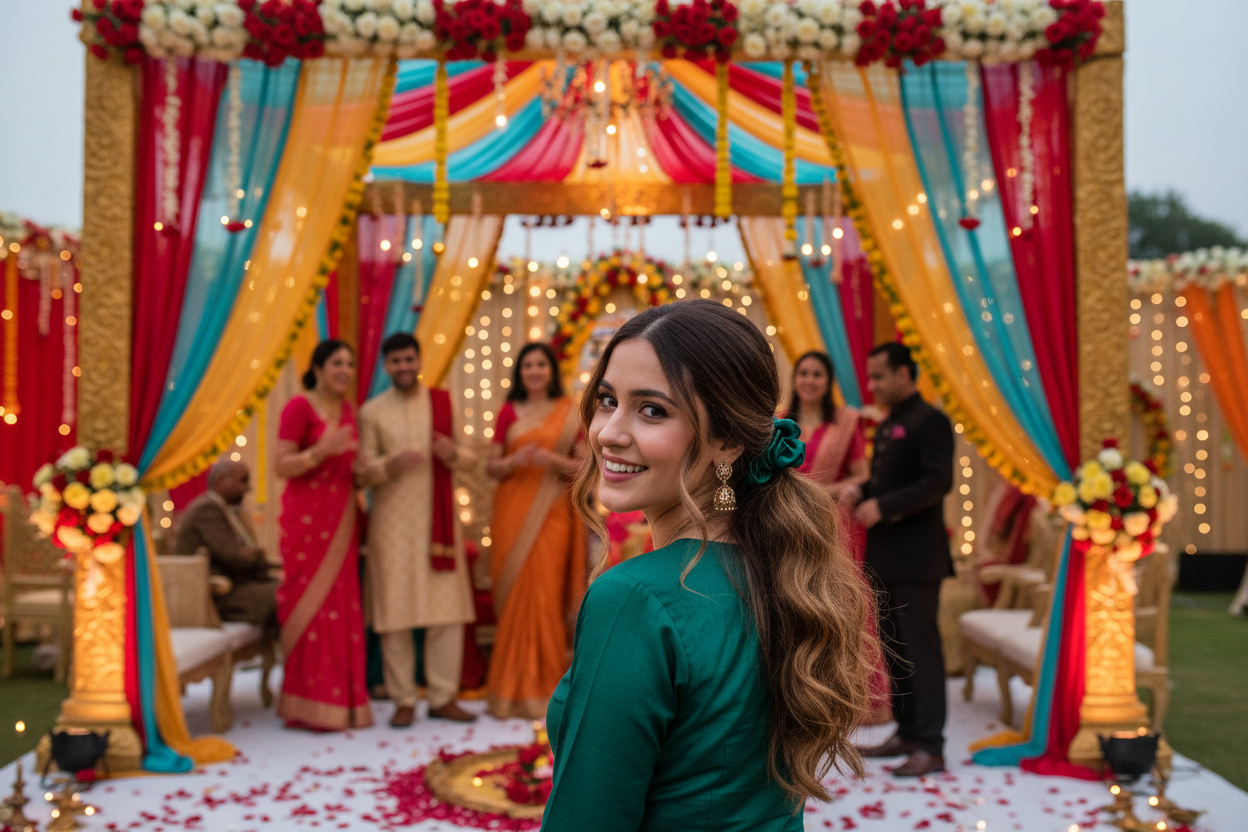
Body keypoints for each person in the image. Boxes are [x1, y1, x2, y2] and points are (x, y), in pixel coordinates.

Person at [542, 300, 877, 830]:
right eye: (607, 400)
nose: (608, 432)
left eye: (652, 409)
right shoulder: (784, 572)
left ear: (726, 441)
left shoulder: (636, 599)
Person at [843, 342, 955, 777]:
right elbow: (890, 479)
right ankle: (907, 733)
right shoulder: (890, 425)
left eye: (878, 376)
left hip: (918, 559)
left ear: (905, 374)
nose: (872, 385)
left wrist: (884, 506)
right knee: (896, 650)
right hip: (886, 555)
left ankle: (931, 745)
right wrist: (864, 490)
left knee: (921, 651)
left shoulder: (930, 421)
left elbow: (937, 481)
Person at [357, 333, 476, 727]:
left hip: (438, 525)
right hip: (391, 529)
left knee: (447, 614)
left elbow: (470, 458)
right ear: (386, 366)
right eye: (396, 361)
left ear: (419, 360)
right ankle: (403, 698)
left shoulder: (441, 403)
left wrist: (452, 453)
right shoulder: (372, 412)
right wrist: (390, 464)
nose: (404, 367)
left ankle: (443, 697)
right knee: (396, 615)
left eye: (409, 359)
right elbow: (360, 473)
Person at [272, 339, 373, 731]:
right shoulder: (298, 408)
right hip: (307, 523)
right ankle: (306, 704)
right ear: (317, 368)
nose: (345, 370)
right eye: (337, 363)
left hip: (342, 521)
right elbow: (281, 465)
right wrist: (319, 452)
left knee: (341, 606)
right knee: (309, 606)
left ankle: (342, 703)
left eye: (349, 364)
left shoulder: (350, 411)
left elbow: (355, 466)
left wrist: (369, 466)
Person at [785, 350, 890, 724]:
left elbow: (863, 475)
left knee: (842, 599)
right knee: (791, 596)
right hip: (789, 519)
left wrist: (832, 491)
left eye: (817, 374)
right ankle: (799, 696)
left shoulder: (847, 422)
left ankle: (854, 698)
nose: (810, 380)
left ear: (827, 382)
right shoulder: (780, 422)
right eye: (804, 373)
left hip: (834, 522)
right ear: (795, 379)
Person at [484, 343, 586, 720]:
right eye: (527, 365)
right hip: (512, 510)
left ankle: (545, 690)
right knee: (513, 597)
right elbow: (491, 467)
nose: (534, 371)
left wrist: (550, 459)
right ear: (520, 372)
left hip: (554, 514)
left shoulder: (570, 413)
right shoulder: (508, 411)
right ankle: (507, 691)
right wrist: (513, 461)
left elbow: (581, 467)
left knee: (545, 595)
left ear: (551, 370)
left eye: (541, 364)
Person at [173, 459, 278, 636]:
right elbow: (234, 557)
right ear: (221, 480)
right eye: (243, 481)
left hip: (236, 588)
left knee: (291, 590)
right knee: (285, 595)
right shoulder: (206, 509)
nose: (247, 488)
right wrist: (259, 554)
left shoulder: (225, 509)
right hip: (217, 596)